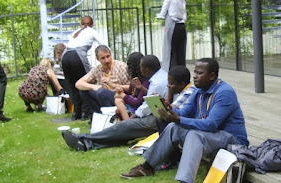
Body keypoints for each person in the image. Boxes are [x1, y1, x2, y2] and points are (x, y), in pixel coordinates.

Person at [120, 58, 248, 183]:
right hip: (211, 135)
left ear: (212, 76)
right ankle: (147, 167)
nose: (195, 76)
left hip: (232, 140)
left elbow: (211, 124)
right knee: (174, 127)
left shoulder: (224, 92)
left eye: (200, 73)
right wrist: (168, 110)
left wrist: (178, 118)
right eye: (195, 72)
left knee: (194, 134)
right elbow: (184, 112)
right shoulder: (198, 90)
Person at [61, 64, 193, 152]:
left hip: (164, 120)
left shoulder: (188, 91)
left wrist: (168, 94)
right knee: (125, 132)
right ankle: (87, 143)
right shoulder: (176, 87)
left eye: (171, 84)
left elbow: (171, 110)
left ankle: (84, 138)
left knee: (124, 127)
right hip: (161, 118)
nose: (168, 86)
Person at [61, 16, 105, 120]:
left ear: (80, 24)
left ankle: (76, 112)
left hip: (65, 56)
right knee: (87, 82)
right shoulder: (92, 31)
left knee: (72, 84)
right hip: (77, 56)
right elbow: (103, 45)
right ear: (92, 24)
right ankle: (86, 112)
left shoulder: (76, 32)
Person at [76, 45, 130, 114]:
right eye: (103, 58)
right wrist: (93, 86)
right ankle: (98, 114)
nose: (107, 60)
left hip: (119, 96)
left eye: (108, 56)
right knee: (84, 91)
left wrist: (115, 85)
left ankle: (110, 115)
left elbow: (131, 88)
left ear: (111, 55)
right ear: (97, 59)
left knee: (101, 92)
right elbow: (78, 84)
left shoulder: (121, 66)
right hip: (103, 95)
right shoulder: (97, 69)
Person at [156, 0, 187, 72]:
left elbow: (164, 9)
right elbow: (184, 12)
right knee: (181, 50)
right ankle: (181, 70)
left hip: (172, 25)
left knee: (170, 49)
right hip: (181, 25)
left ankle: (171, 70)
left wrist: (160, 15)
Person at [114, 52, 146, 121]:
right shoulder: (134, 79)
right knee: (118, 100)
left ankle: (127, 122)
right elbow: (130, 92)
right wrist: (121, 91)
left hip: (140, 109)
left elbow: (137, 103)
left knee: (118, 100)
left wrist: (123, 95)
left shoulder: (145, 81)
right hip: (133, 106)